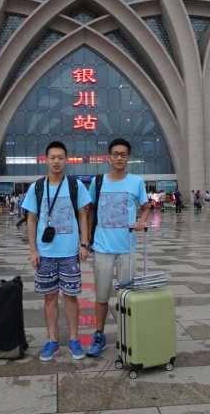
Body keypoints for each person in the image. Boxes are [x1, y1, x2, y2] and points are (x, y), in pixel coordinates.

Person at [23, 141, 91, 362]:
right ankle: (52, 341)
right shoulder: (37, 187)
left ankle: (73, 339)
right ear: (46, 160)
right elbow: (31, 220)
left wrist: (84, 244)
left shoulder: (75, 186)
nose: (56, 161)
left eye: (60, 157)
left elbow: (82, 215)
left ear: (66, 160)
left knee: (71, 297)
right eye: (52, 157)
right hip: (45, 254)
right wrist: (33, 250)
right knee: (50, 297)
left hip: (70, 253)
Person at [86, 138, 150, 358]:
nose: (119, 158)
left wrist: (141, 220)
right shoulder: (98, 182)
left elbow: (146, 207)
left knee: (126, 296)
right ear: (109, 157)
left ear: (129, 157)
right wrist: (88, 239)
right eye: (115, 154)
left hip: (127, 248)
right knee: (102, 296)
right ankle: (99, 335)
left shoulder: (136, 182)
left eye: (123, 154)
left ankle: (127, 335)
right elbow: (91, 211)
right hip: (102, 248)